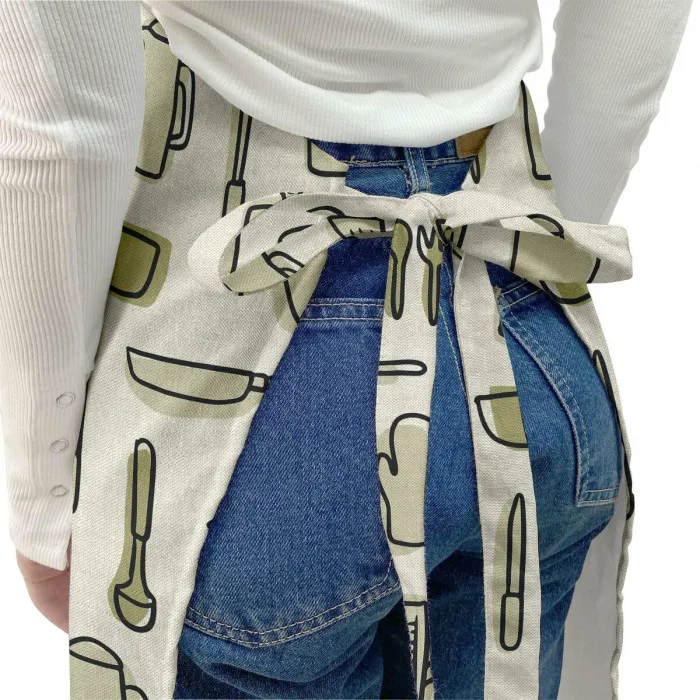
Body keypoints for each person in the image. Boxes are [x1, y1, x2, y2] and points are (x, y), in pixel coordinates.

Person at [0, 2, 692, 698]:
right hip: (525, 351)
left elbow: (64, 122)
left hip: (252, 392)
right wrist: (538, 240)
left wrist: (44, 496)